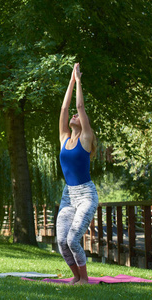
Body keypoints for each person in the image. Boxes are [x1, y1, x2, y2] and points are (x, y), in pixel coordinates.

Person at [56, 63, 98, 285]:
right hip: (68, 195)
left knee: (73, 239)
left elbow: (79, 106)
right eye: (72, 115)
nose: (73, 115)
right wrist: (70, 82)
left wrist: (79, 81)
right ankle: (76, 276)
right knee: (62, 241)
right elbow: (64, 110)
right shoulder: (64, 139)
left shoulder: (85, 138)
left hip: (86, 196)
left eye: (77, 116)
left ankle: (84, 278)